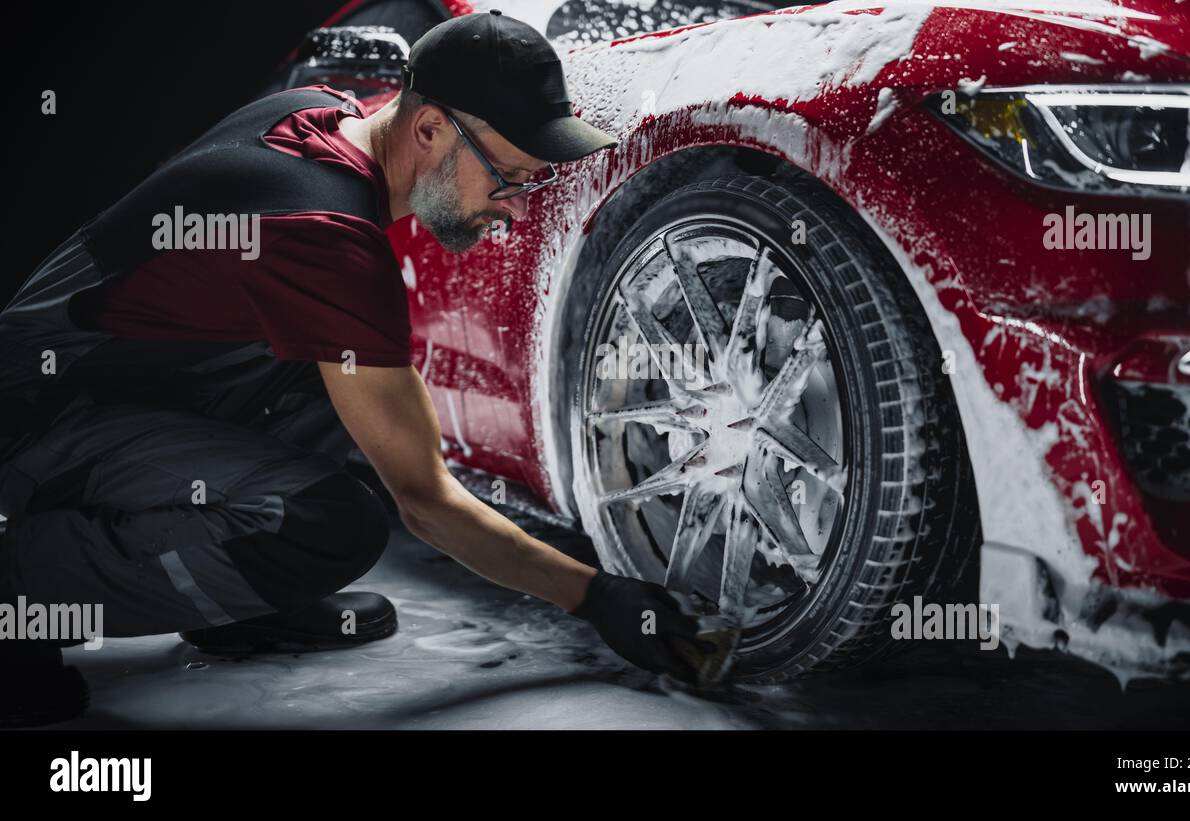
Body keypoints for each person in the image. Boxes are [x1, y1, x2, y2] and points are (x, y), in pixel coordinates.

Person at [0, 10, 712, 728]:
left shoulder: (318, 117)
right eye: (505, 177)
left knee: (353, 370)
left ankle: (237, 605)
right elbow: (425, 500)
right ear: (430, 129)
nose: (515, 210)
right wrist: (596, 596)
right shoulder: (325, 235)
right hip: (33, 422)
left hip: (101, 391)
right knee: (325, 524)